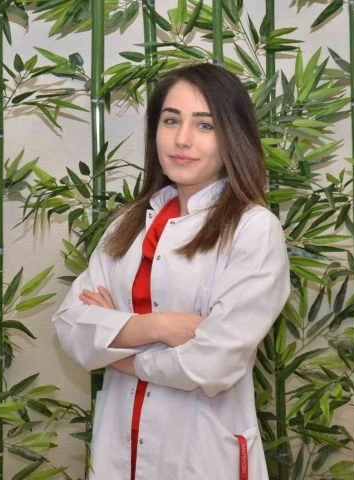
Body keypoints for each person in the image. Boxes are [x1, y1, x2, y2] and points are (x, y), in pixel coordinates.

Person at [52, 62, 290, 480]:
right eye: (171, 120)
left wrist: (121, 355)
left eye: (205, 125)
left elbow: (214, 363)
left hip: (200, 453)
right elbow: (71, 326)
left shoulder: (253, 229)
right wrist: (160, 327)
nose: (182, 139)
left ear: (232, 136)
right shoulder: (127, 223)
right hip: (119, 445)